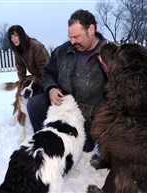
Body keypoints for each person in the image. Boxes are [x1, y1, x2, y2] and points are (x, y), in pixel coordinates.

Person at [27, 9, 107, 152]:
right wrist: (51, 88)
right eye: (70, 37)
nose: (72, 41)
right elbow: (48, 72)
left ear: (91, 29)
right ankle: (46, 142)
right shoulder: (63, 50)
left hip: (88, 115)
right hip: (62, 105)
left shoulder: (109, 54)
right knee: (34, 104)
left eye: (76, 36)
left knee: (85, 147)